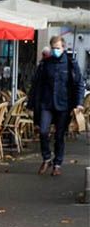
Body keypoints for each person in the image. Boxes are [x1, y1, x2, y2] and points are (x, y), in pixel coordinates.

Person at [28, 36, 85, 176]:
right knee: (43, 131)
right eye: (53, 48)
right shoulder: (45, 64)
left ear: (63, 48)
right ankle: (46, 158)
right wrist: (31, 103)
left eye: (58, 48)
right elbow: (37, 85)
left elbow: (79, 84)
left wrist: (78, 103)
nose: (55, 51)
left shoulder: (71, 64)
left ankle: (57, 163)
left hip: (63, 104)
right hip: (46, 104)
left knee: (60, 135)